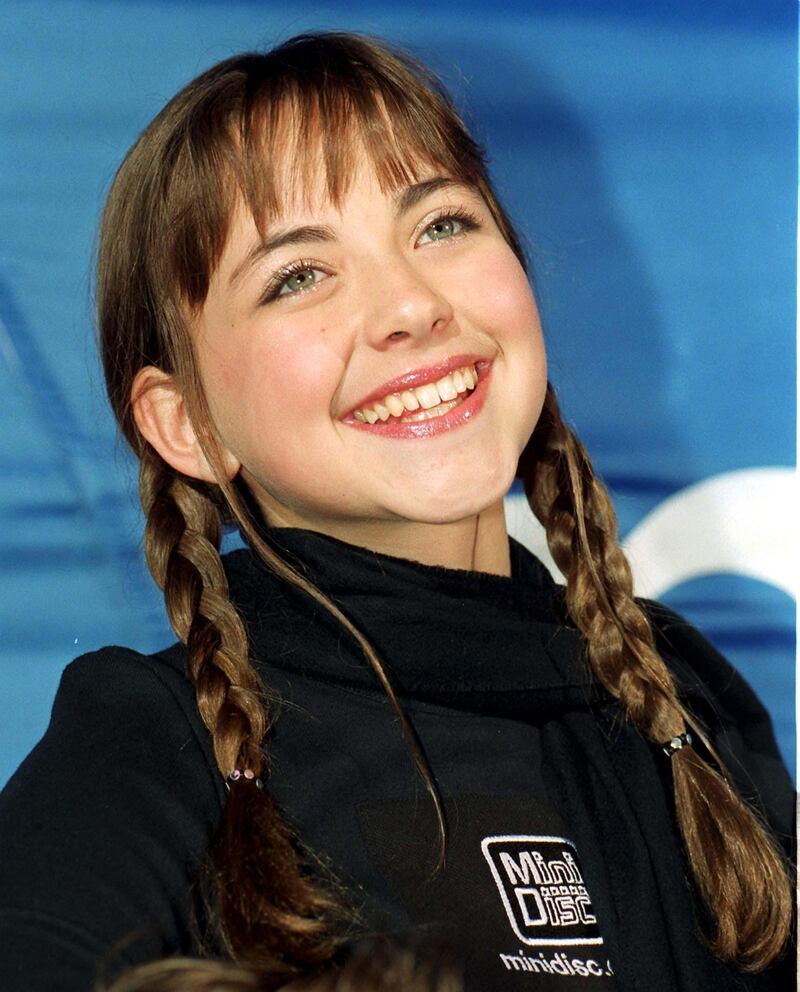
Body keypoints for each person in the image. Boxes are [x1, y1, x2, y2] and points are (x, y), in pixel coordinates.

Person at [0, 31, 793, 992]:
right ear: (188, 425)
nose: (410, 307)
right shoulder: (149, 744)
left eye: (441, 226)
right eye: (299, 276)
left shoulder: (684, 695)